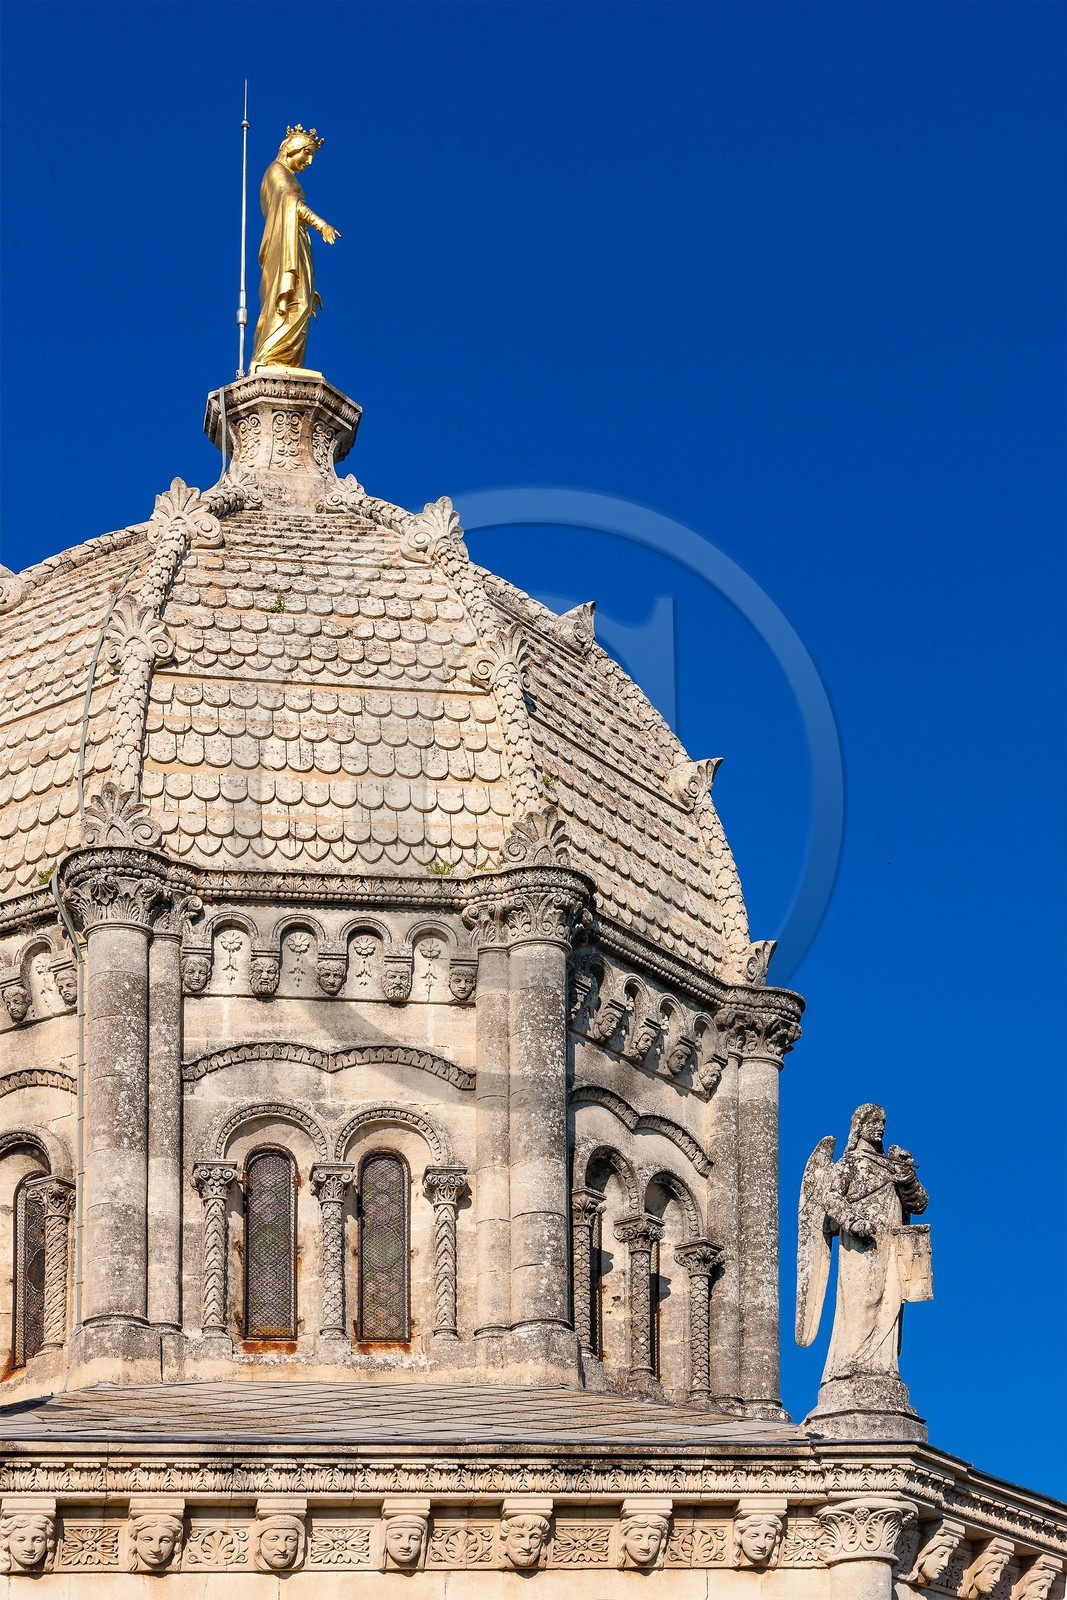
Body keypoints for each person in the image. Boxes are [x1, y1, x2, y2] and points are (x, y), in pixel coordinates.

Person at [251, 125, 341, 371]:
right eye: (306, 153)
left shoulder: (285, 174)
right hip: (285, 244)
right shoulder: (277, 171)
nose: (309, 161)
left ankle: (285, 360)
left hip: (295, 241)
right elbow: (289, 201)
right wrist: (321, 225)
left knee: (302, 299)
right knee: (293, 300)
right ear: (292, 148)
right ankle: (269, 357)